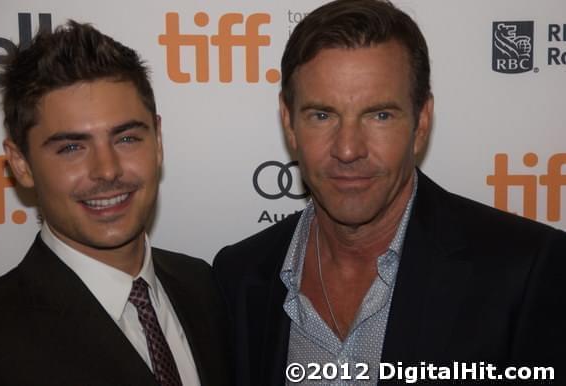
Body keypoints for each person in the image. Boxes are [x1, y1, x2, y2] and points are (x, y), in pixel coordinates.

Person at [213, 0, 566, 384]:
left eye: (380, 115)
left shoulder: (524, 271)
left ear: (421, 122)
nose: (348, 149)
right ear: (289, 122)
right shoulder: (239, 275)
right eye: (322, 115)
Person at [0, 21, 230, 386]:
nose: (107, 170)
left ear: (158, 140)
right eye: (71, 148)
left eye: (127, 138)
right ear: (21, 164)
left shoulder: (205, 286)